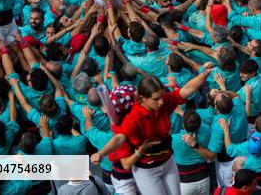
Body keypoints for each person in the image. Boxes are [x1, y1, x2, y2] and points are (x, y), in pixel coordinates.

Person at [91, 66, 215, 195]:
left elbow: (186, 90)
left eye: (161, 96)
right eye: (156, 99)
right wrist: (101, 153)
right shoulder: (134, 118)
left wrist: (204, 74)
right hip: (147, 170)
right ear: (143, 98)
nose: (161, 102)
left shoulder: (163, 102)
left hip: (167, 161)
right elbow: (120, 137)